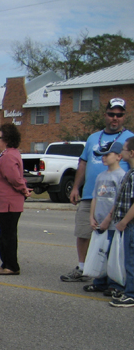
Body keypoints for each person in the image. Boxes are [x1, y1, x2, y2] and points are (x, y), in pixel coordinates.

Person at [61, 98, 133, 282]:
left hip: (115, 199)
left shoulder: (129, 139)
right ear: (105, 115)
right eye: (111, 114)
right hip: (90, 196)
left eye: (119, 115)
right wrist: (76, 187)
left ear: (124, 116)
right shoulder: (93, 138)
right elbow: (83, 162)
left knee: (112, 236)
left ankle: (111, 275)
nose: (115, 118)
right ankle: (83, 268)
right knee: (84, 232)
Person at [82, 141, 127, 295]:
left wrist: (109, 218)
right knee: (99, 252)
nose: (103, 158)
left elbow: (119, 200)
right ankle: (99, 281)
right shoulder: (101, 176)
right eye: (102, 155)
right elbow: (95, 197)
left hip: (113, 223)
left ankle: (115, 284)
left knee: (113, 255)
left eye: (107, 154)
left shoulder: (121, 176)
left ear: (119, 156)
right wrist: (91, 216)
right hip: (99, 222)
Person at [0, 123, 31, 275]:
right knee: (4, 233)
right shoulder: (6, 154)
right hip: (3, 203)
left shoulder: (9, 156)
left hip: (9, 203)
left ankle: (12, 266)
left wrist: (23, 189)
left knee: (8, 235)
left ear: (7, 139)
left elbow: (14, 178)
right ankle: (5, 263)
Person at [103, 137, 134, 307]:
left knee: (131, 260)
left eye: (124, 149)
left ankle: (131, 294)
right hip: (127, 223)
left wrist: (124, 221)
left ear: (131, 153)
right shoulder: (129, 172)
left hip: (130, 224)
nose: (121, 153)